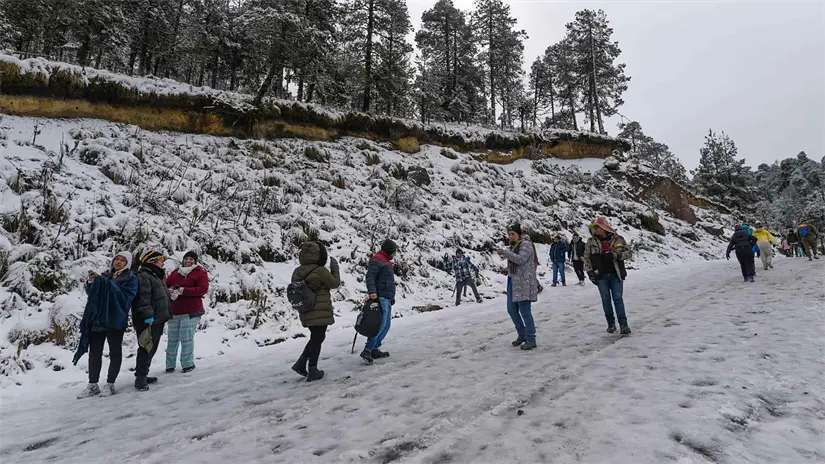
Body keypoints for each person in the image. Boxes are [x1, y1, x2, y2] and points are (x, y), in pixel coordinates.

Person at [73, 251, 138, 399]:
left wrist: (104, 283)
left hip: (115, 319)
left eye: (122, 260)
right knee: (94, 352)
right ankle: (92, 384)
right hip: (98, 319)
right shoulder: (106, 276)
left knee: (115, 352)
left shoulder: (130, 278)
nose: (118, 262)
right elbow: (93, 294)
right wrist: (91, 283)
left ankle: (110, 384)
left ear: (127, 263)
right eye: (116, 259)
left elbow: (125, 296)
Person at [290, 242, 340, 381]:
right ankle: (312, 369)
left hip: (305, 309)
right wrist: (335, 269)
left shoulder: (297, 271)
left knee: (317, 337)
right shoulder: (320, 271)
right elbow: (335, 283)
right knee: (317, 338)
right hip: (319, 309)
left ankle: (301, 363)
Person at [584, 217, 633, 335]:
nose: (594, 230)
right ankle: (611, 324)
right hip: (601, 276)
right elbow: (586, 258)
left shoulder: (618, 239)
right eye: (592, 228)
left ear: (603, 227)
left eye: (596, 227)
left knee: (618, 298)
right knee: (606, 300)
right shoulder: (591, 242)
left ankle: (623, 325)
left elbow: (629, 253)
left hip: (616, 274)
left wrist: (616, 255)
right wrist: (590, 273)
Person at [132, 249, 172, 391]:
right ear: (152, 262)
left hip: (157, 318)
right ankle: (140, 378)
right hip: (148, 319)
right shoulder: (144, 276)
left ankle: (143, 373)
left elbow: (158, 295)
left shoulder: (155, 275)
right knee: (146, 347)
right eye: (160, 260)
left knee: (151, 347)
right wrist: (148, 316)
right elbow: (143, 298)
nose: (163, 263)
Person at [164, 251, 209, 374]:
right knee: (172, 340)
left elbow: (203, 289)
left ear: (195, 261)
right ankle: (169, 365)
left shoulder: (200, 272)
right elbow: (165, 285)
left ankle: (187, 364)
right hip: (174, 311)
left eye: (191, 259)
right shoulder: (175, 273)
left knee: (186, 339)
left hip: (191, 311)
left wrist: (184, 290)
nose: (188, 261)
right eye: (186, 259)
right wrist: (170, 290)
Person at [497, 224, 539, 350]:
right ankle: (522, 334)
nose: (510, 236)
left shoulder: (526, 244)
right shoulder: (514, 245)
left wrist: (505, 253)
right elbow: (517, 263)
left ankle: (531, 338)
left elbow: (521, 259)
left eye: (513, 234)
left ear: (519, 234)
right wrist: (508, 269)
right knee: (511, 310)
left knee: (525, 311)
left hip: (524, 282)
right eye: (509, 234)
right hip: (513, 281)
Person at [360, 239, 397, 364]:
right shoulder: (377, 260)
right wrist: (372, 291)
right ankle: (367, 350)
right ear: (389, 251)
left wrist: (391, 297)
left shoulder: (386, 261)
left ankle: (374, 348)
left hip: (387, 297)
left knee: (386, 326)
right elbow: (370, 277)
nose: (395, 254)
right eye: (394, 251)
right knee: (380, 325)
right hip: (380, 297)